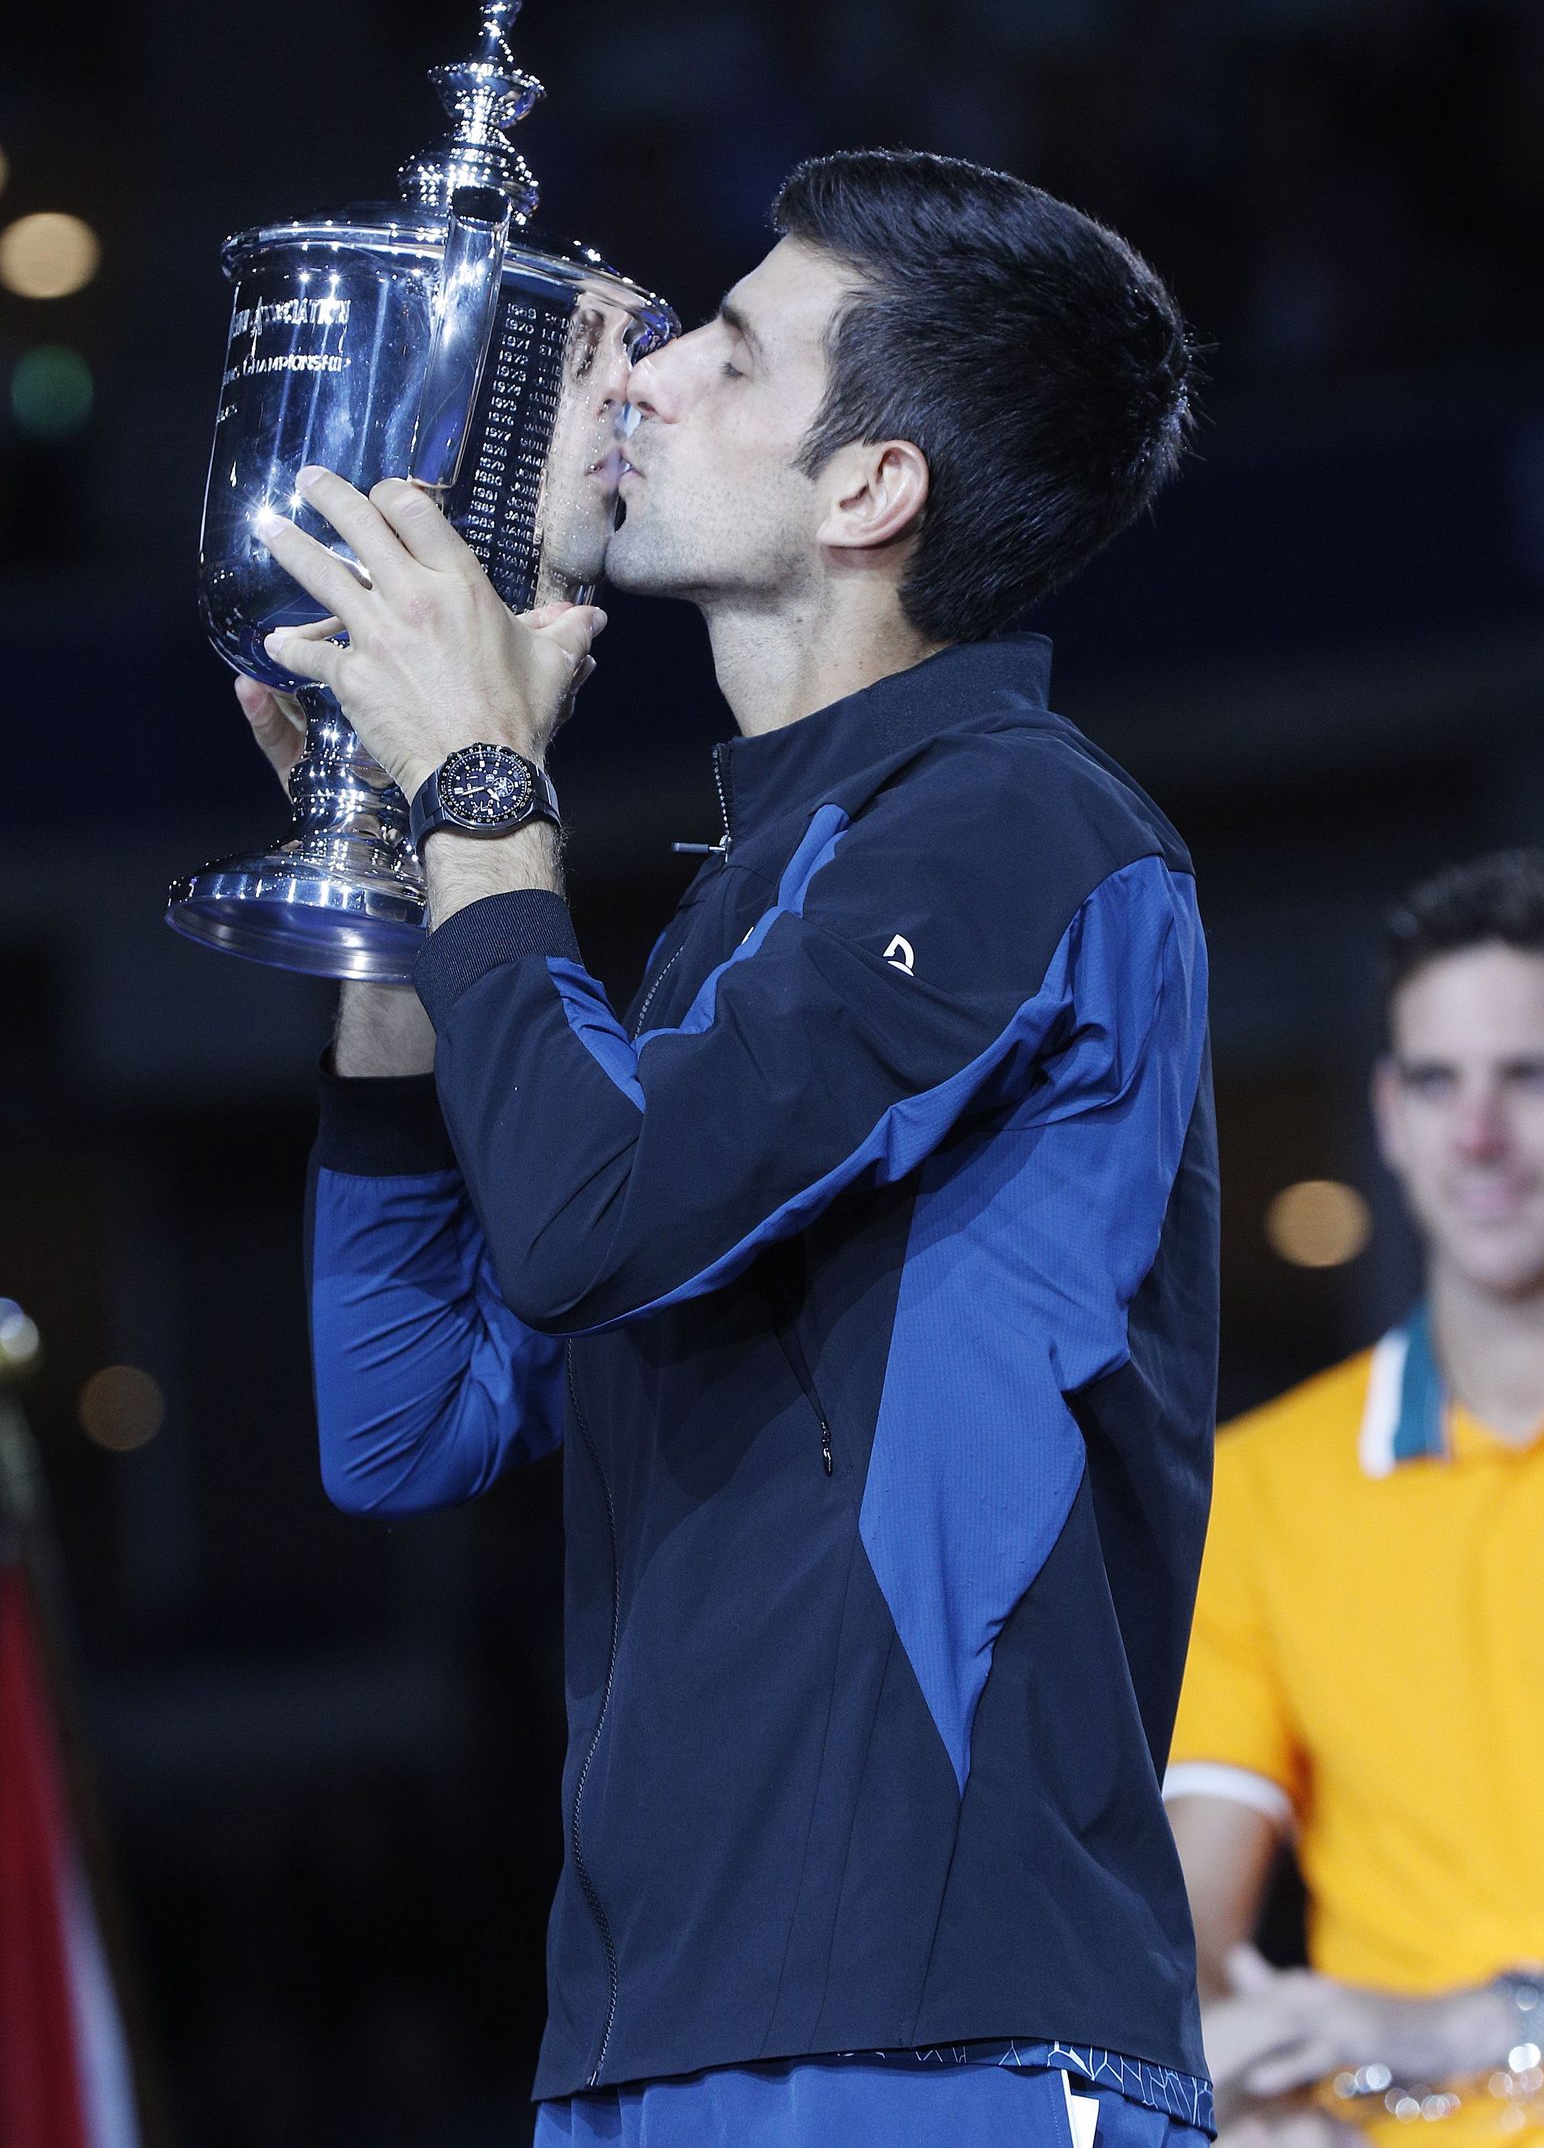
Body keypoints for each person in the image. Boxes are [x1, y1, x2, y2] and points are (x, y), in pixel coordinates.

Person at [243, 149, 1218, 2148]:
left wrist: (483, 788)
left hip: (937, 2029)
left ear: (870, 490)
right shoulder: (751, 912)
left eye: (728, 350)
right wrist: (400, 864)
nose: (640, 374)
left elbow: (589, 1221)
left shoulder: (1019, 827)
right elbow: (407, 1414)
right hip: (646, 2033)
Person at [1165, 851, 1544, 2148]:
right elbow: (1186, 1935)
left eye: (1533, 1078)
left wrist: (1477, 2024)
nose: (1479, 1135)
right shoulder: (1263, 1487)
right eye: (1436, 1082)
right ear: (1390, 1117)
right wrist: (1249, 2095)